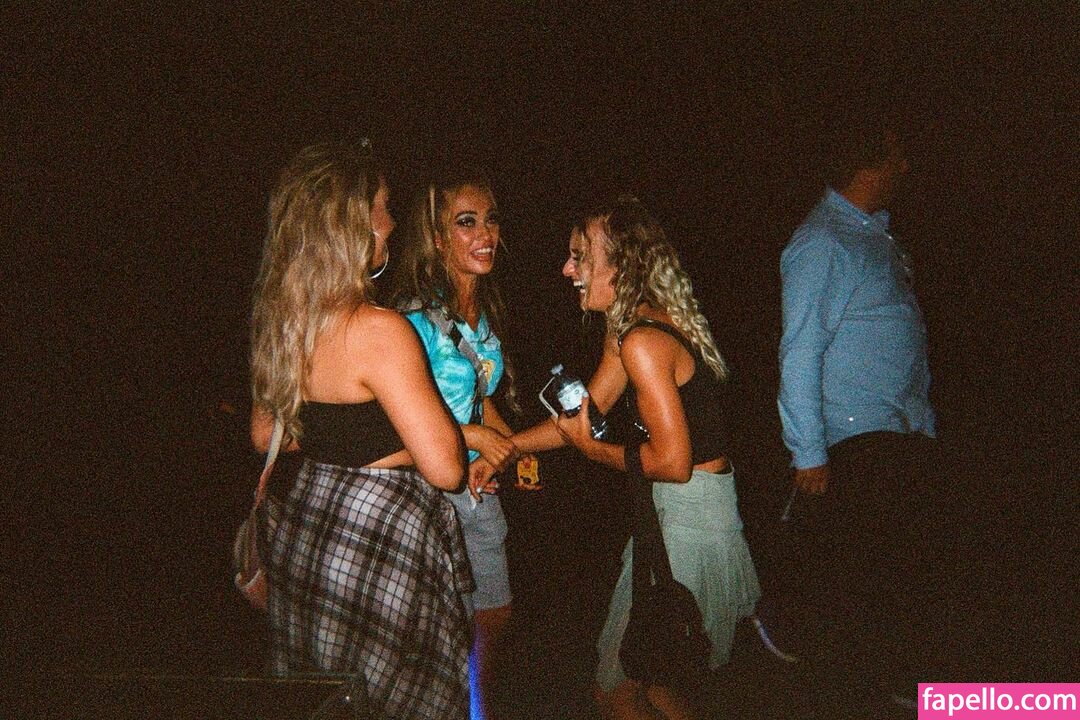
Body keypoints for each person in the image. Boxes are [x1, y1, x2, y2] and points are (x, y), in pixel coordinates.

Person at [502, 196, 761, 720]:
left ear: (620, 265)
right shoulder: (630, 330)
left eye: (580, 256)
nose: (567, 269)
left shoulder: (642, 340)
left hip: (692, 518)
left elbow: (672, 462)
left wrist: (592, 449)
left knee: (621, 687)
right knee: (653, 684)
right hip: (678, 514)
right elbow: (588, 410)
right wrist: (506, 447)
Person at [249, 142, 473, 718]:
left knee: (327, 699)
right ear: (356, 224)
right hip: (378, 537)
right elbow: (446, 468)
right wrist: (397, 450)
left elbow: (268, 435)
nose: (392, 222)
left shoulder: (285, 319)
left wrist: (346, 440)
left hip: (309, 529)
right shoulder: (380, 330)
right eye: (384, 207)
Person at [777, 117, 941, 703]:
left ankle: (887, 689)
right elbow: (800, 351)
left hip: (895, 433)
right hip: (856, 439)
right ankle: (859, 690)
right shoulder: (824, 241)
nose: (906, 166)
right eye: (897, 155)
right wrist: (809, 452)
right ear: (870, 163)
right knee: (863, 591)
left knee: (890, 585)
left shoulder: (871, 234)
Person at [389, 170, 519, 720]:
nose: (485, 234)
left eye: (490, 220)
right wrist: (472, 437)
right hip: (424, 489)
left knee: (494, 612)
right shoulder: (413, 320)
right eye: (467, 223)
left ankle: (474, 708)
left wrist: (509, 447)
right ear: (438, 239)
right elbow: (390, 423)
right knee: (436, 628)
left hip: (475, 489)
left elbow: (478, 398)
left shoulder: (480, 314)